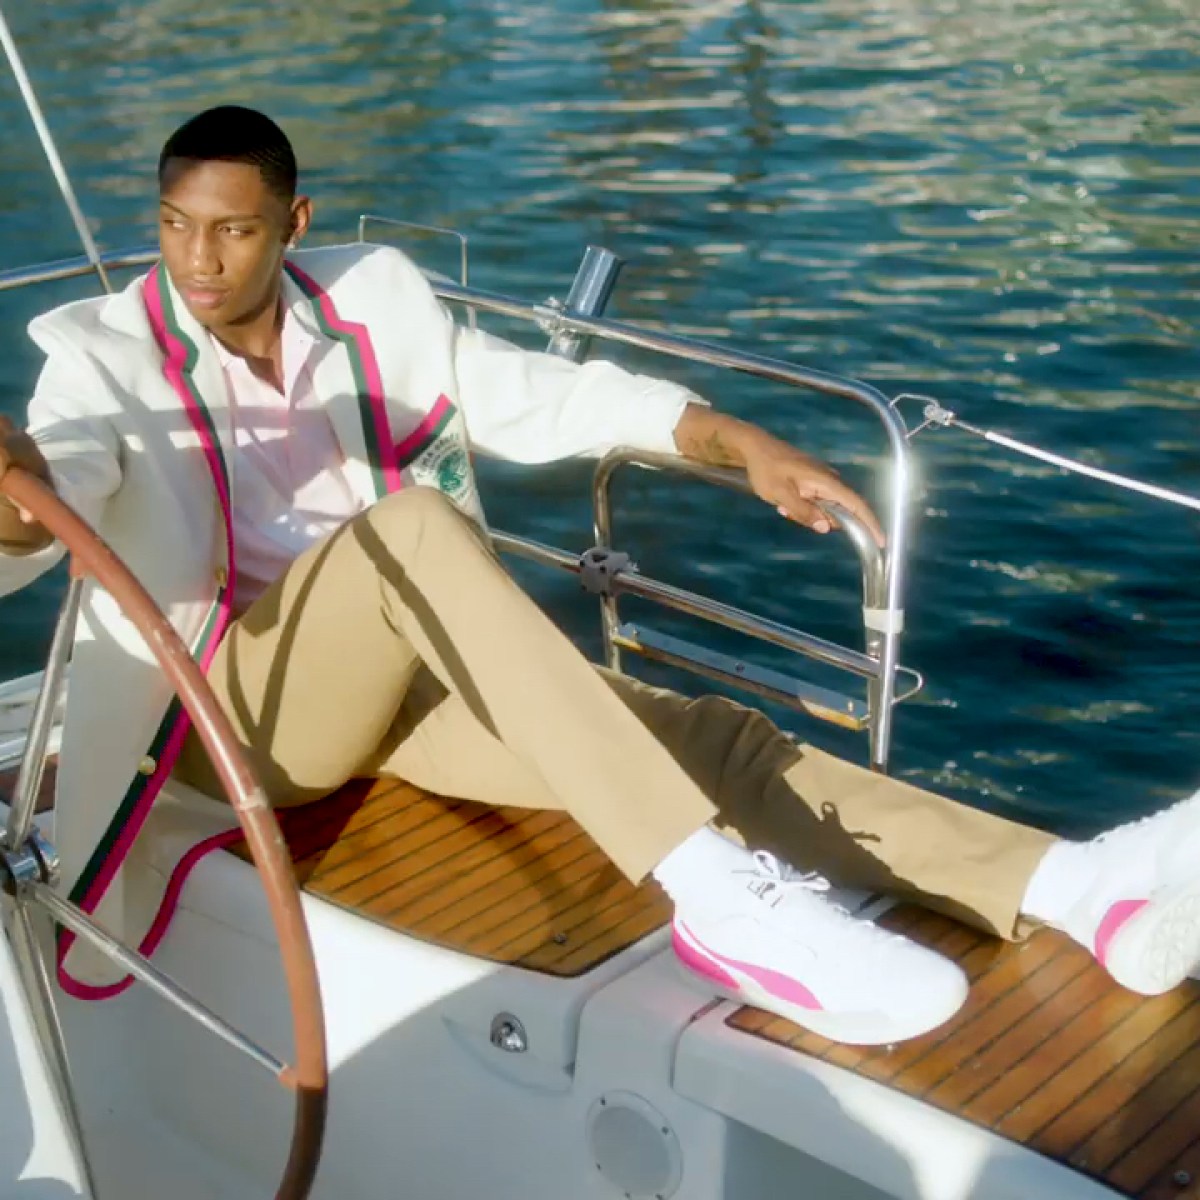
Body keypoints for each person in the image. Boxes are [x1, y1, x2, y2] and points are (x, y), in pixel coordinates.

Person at [1, 105, 1196, 1043]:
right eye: (173, 224)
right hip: (225, 722)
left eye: (233, 229)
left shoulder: (369, 302)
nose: (196, 259)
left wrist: (729, 438)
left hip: (384, 690)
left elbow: (538, 390)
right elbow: (55, 494)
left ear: (295, 223)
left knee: (704, 738)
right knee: (415, 528)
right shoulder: (98, 361)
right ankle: (720, 904)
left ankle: (1082, 890)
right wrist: (9, 502)